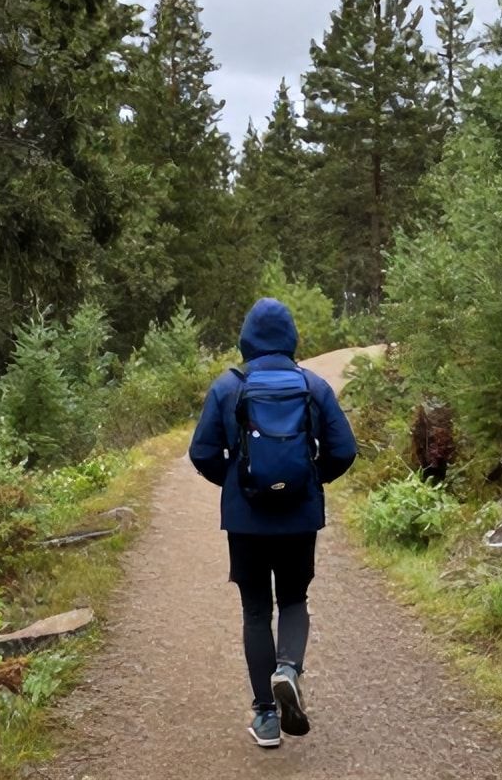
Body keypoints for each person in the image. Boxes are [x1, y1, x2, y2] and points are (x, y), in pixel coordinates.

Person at [189, 298, 358, 748]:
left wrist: (235, 482)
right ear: (291, 337)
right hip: (299, 516)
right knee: (295, 598)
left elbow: (201, 453)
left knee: (256, 610)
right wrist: (309, 478)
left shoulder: (228, 386)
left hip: (246, 520)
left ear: (246, 337)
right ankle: (288, 669)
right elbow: (344, 450)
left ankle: (265, 716)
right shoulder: (313, 385)